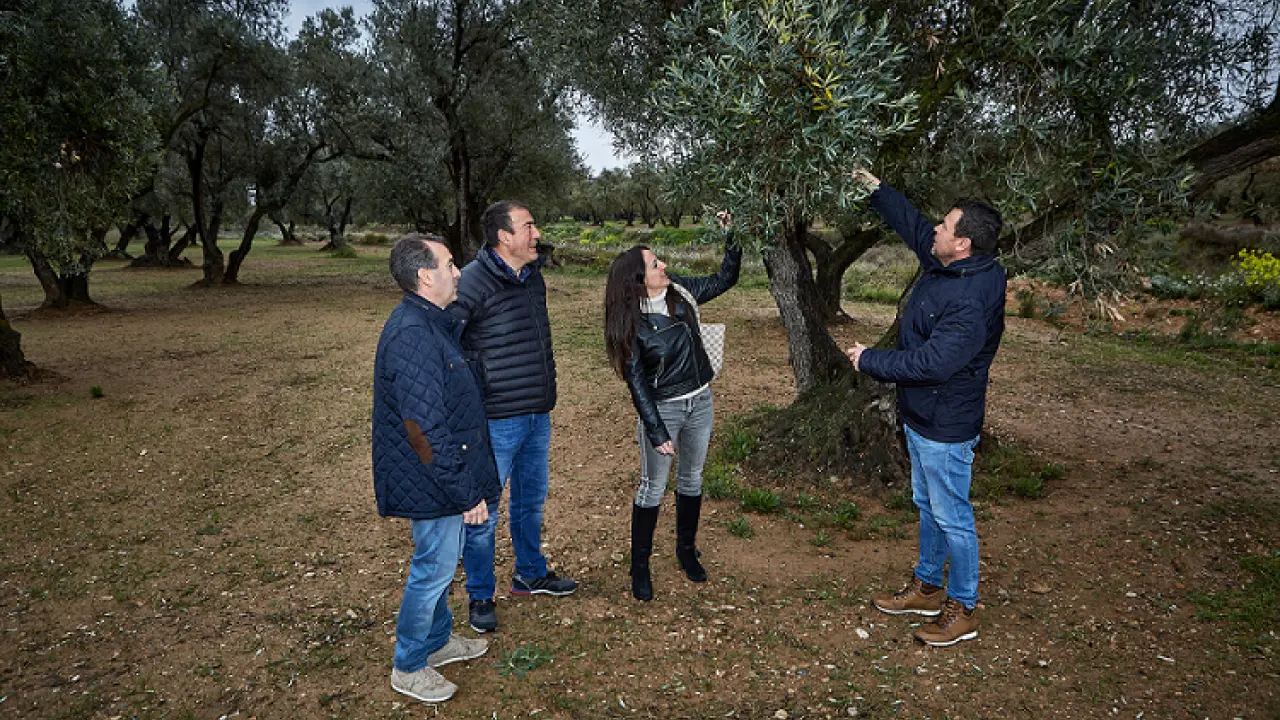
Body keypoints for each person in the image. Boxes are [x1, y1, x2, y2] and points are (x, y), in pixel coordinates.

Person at [844, 169, 1006, 647]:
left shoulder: (970, 299)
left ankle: (963, 608)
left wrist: (870, 359)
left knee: (952, 515)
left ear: (964, 244)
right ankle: (928, 586)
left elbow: (934, 363)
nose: (936, 228)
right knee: (928, 505)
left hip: (946, 424)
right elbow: (915, 227)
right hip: (923, 417)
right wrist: (877, 190)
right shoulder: (952, 265)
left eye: (946, 225)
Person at [372, 234, 502, 702]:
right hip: (431, 479)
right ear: (426, 276)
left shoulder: (431, 322)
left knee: (442, 564)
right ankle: (408, 665)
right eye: (449, 264)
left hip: (436, 476)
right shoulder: (412, 334)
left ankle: (437, 641)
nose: (458, 272)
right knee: (433, 567)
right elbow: (423, 428)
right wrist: (465, 492)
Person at [453, 201, 577, 634]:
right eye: (528, 226)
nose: (536, 233)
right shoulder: (471, 282)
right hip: (496, 418)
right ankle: (480, 594)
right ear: (504, 237)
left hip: (537, 413)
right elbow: (448, 346)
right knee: (484, 512)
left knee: (530, 501)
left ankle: (530, 573)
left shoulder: (532, 276)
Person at [603, 213, 740, 601]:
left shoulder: (680, 293)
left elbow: (725, 278)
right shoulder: (631, 323)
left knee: (692, 479)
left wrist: (731, 235)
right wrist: (656, 429)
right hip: (664, 409)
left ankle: (685, 550)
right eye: (654, 264)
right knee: (653, 488)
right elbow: (637, 382)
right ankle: (640, 567)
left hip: (701, 401)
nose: (663, 266)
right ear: (637, 280)